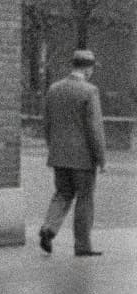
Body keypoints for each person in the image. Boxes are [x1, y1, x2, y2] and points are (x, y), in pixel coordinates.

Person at [37, 49, 107, 256]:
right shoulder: (90, 91)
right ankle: (82, 245)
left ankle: (48, 228)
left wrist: (53, 147)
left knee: (63, 193)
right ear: (88, 69)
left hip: (59, 155)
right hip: (83, 158)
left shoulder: (54, 89)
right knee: (85, 198)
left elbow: (47, 124)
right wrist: (101, 158)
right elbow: (95, 129)